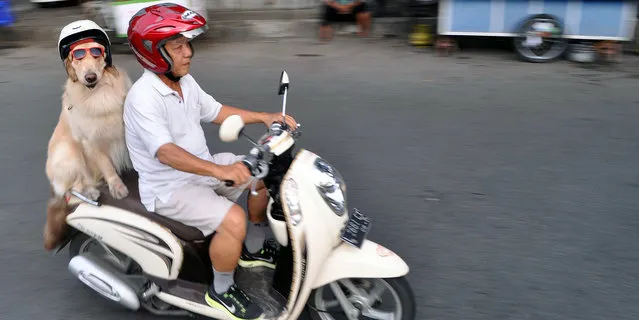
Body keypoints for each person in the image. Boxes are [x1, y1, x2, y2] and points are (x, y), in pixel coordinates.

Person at [124, 4, 296, 320]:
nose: (188, 52)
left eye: (188, 44)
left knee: (262, 170)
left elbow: (216, 111)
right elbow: (165, 152)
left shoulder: (184, 82)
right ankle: (221, 290)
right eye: (178, 46)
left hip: (200, 171)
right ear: (154, 52)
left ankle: (253, 248)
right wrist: (220, 170)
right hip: (169, 189)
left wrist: (265, 117)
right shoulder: (143, 98)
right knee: (233, 219)